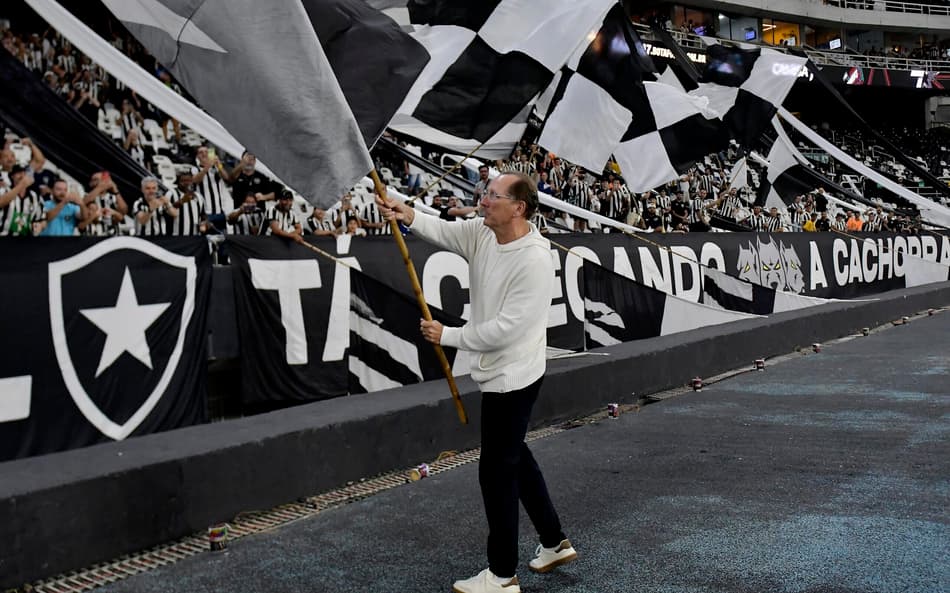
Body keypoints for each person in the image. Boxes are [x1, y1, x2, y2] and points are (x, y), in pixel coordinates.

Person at [377, 172, 575, 593]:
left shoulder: (534, 261)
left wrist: (447, 336)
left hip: (513, 376)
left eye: (493, 196)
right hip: (500, 371)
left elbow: (506, 330)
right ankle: (554, 541)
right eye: (485, 193)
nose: (483, 201)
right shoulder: (483, 232)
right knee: (514, 456)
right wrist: (407, 213)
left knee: (496, 473)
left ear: (518, 208)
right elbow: (444, 231)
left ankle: (502, 576)